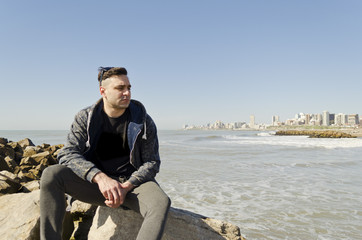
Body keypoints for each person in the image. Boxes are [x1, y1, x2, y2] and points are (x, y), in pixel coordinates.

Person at [40, 67, 171, 240]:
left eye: (129, 88)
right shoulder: (85, 117)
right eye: (120, 88)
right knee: (51, 174)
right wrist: (100, 178)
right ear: (103, 91)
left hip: (130, 186)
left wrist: (127, 186)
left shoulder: (143, 120)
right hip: (96, 186)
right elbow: (68, 153)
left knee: (160, 202)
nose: (127, 93)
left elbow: (152, 162)